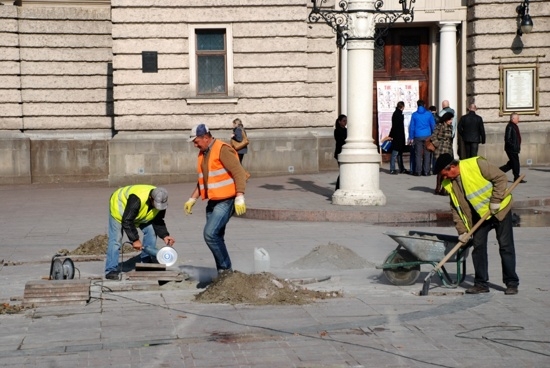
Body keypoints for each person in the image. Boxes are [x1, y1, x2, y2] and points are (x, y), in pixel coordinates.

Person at [434, 153, 519, 295]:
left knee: (506, 246)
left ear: (453, 167)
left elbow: (501, 177)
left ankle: (511, 283)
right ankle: (481, 284)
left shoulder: (476, 164)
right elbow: (456, 208)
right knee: (478, 247)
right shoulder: (449, 183)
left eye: (445, 174)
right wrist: (462, 231)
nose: (445, 177)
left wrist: (496, 200)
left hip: (500, 209)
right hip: (479, 216)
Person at [184, 123, 248, 274]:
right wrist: (192, 199)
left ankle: (226, 270)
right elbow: (203, 180)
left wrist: (240, 196)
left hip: (226, 200)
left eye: (196, 141)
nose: (195, 144)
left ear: (205, 137)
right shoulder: (204, 152)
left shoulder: (222, 149)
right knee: (217, 236)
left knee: (210, 234)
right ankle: (223, 271)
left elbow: (239, 172)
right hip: (213, 201)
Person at [105, 185, 176, 280]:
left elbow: (158, 220)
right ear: (151, 198)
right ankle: (111, 270)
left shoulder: (161, 200)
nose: (158, 207)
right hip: (119, 211)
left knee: (151, 232)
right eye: (156, 204)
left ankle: (146, 262)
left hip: (139, 214)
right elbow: (127, 221)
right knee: (116, 239)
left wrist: (165, 235)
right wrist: (135, 240)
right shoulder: (137, 199)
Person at [408, 99, 435, 176]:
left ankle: (418, 171)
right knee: (427, 154)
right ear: (424, 105)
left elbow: (412, 127)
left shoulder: (414, 115)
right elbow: (433, 125)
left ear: (417, 105)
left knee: (418, 154)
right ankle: (426, 171)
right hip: (427, 136)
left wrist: (411, 137)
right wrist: (433, 135)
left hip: (417, 136)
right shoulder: (429, 114)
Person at [430, 112, 454, 195]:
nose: (451, 121)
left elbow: (450, 139)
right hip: (440, 151)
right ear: (446, 119)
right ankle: (438, 188)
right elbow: (433, 136)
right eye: (450, 119)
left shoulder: (450, 127)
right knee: (441, 170)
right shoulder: (440, 126)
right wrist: (438, 145)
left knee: (446, 171)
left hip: (448, 151)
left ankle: (444, 189)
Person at [499, 113, 526, 183]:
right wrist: (513, 146)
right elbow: (507, 139)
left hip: (514, 148)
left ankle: (499, 171)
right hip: (511, 149)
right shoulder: (510, 126)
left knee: (512, 163)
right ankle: (516, 177)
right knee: (515, 163)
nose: (518, 120)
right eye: (517, 118)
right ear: (513, 119)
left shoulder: (514, 126)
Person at [388, 101, 408, 174]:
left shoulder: (396, 113)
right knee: (395, 154)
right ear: (402, 107)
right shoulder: (398, 114)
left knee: (399, 153)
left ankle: (401, 168)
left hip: (397, 137)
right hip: (398, 137)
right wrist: (391, 135)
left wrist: (391, 135)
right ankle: (392, 169)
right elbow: (396, 127)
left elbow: (393, 126)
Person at [333, 114, 347, 189]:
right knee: (343, 171)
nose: (345, 122)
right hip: (340, 153)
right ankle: (338, 188)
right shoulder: (337, 131)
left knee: (345, 171)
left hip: (346, 152)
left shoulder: (346, 130)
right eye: (344, 121)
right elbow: (340, 141)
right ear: (339, 122)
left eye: (346, 121)